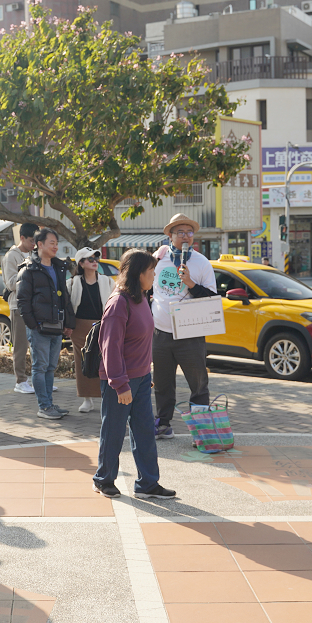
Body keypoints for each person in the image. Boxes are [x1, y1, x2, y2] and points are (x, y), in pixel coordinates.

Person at [93, 249, 175, 500]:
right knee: (114, 432)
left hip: (140, 379)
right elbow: (110, 348)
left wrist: (143, 376)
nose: (154, 276)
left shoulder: (141, 298)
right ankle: (104, 479)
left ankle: (148, 483)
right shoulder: (119, 303)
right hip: (120, 381)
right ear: (139, 273)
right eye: (151, 271)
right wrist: (120, 384)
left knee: (144, 433)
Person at [150, 214, 217, 440]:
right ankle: (163, 424)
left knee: (198, 384)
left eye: (189, 232)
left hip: (191, 334)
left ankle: (201, 431)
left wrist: (190, 283)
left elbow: (211, 299)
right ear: (170, 235)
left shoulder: (201, 262)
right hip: (160, 332)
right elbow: (146, 288)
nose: (186, 236)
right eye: (180, 232)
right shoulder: (158, 260)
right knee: (162, 382)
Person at [17, 228, 75, 420]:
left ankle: (49, 404)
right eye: (52, 243)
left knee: (51, 367)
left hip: (56, 326)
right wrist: (33, 325)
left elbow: (64, 297)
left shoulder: (59, 267)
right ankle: (44, 406)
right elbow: (22, 300)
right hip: (39, 327)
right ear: (39, 244)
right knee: (40, 366)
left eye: (57, 243)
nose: (56, 247)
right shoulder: (28, 269)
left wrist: (68, 323)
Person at [68, 247, 113, 413]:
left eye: (96, 259)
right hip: (79, 327)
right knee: (82, 363)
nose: (94, 262)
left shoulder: (107, 281)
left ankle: (104, 396)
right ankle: (86, 399)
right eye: (90, 259)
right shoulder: (72, 283)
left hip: (102, 326)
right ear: (81, 263)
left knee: (104, 362)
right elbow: (68, 308)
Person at [2, 223, 37, 395]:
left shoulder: (35, 254)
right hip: (19, 305)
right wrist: (29, 274)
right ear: (22, 238)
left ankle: (38, 380)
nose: (34, 244)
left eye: (36, 241)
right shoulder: (11, 256)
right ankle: (20, 380)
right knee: (21, 346)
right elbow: (10, 282)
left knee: (37, 345)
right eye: (31, 240)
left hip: (36, 305)